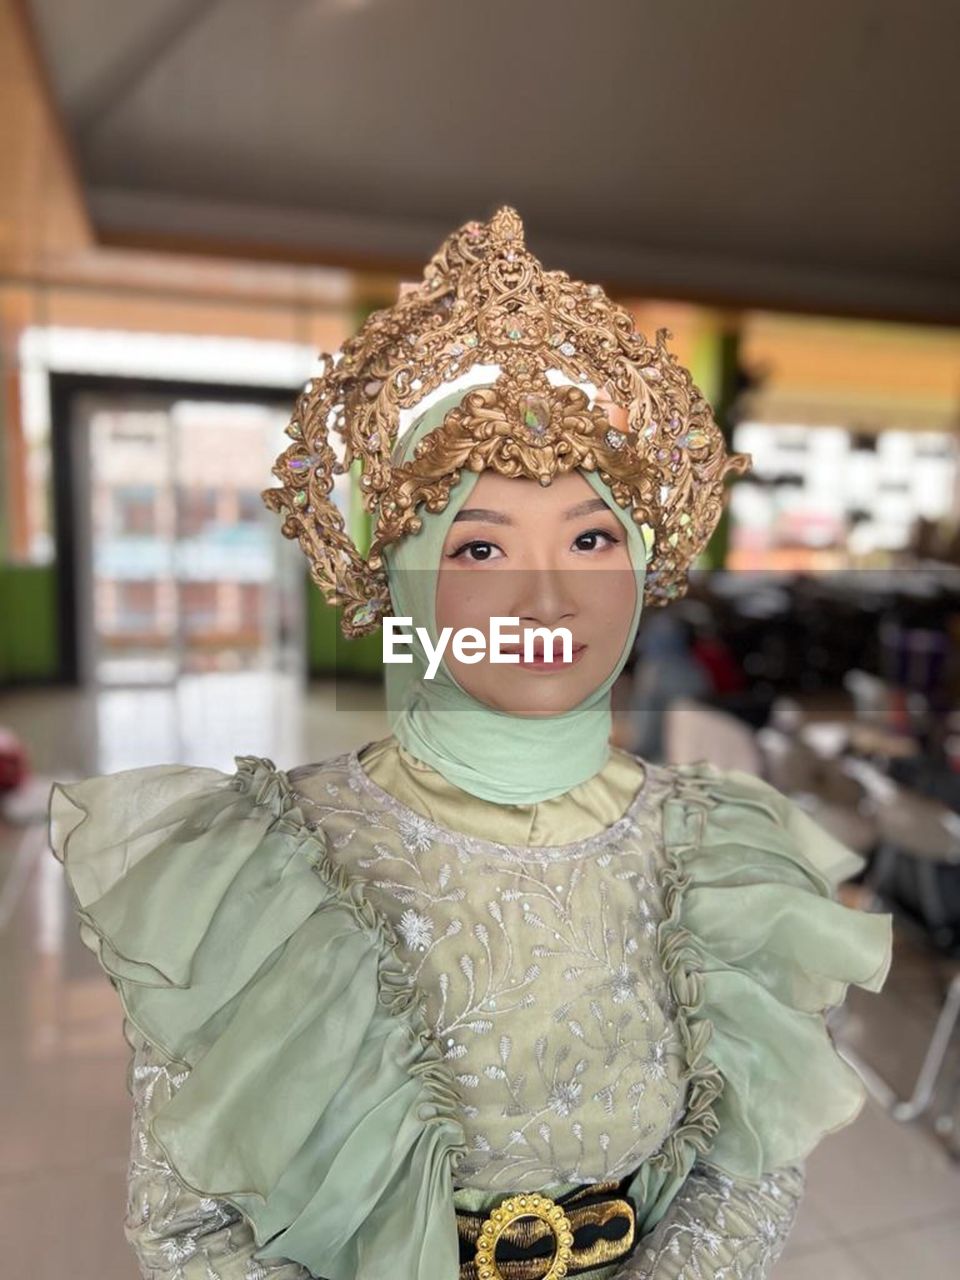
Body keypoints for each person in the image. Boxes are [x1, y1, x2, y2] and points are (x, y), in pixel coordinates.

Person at [47, 209, 893, 1280]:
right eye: (481, 542)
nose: (548, 592)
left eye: (592, 537)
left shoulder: (726, 843)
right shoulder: (257, 863)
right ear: (402, 581)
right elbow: (193, 1231)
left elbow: (748, 1171)